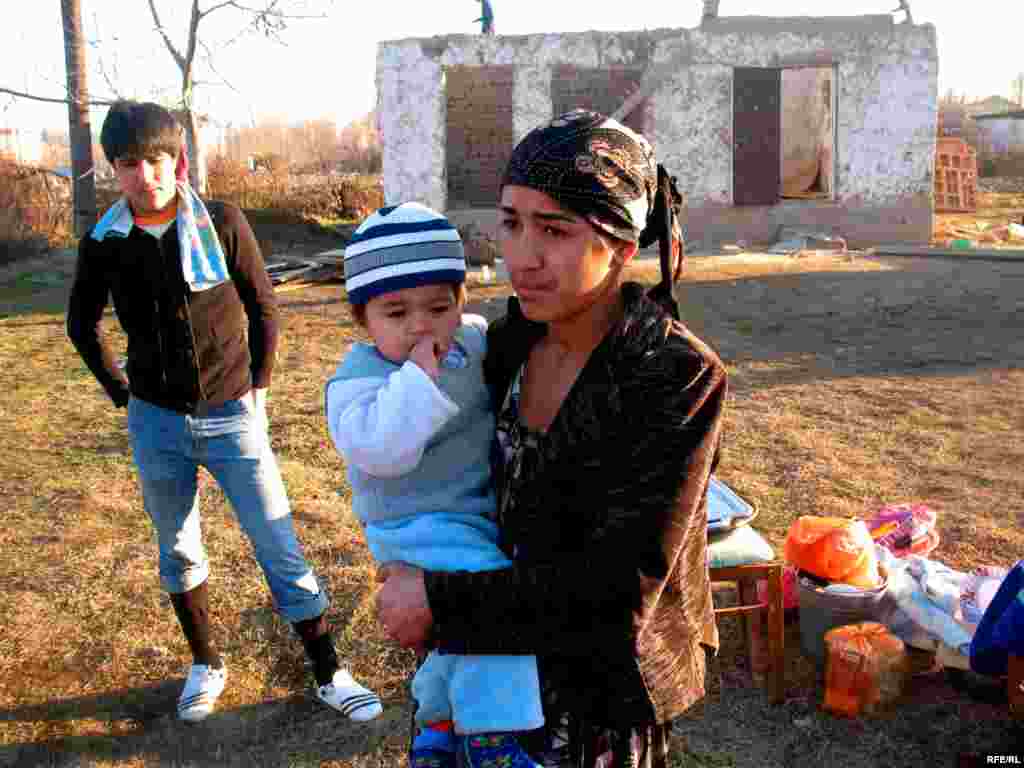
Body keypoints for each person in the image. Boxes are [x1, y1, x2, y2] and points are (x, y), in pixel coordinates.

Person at [375, 109, 727, 767]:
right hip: (486, 668)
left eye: (555, 230)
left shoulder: (672, 375)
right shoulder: (510, 341)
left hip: (596, 697)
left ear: (620, 246)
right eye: (511, 222)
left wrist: (436, 600)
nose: (521, 257)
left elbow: (616, 597)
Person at [65, 101, 382, 724]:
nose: (145, 175)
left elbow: (264, 308)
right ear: (114, 170)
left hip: (233, 414)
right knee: (178, 549)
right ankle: (207, 663)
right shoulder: (104, 243)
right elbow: (82, 325)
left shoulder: (225, 223)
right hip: (157, 422)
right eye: (129, 164)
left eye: (156, 159)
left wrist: (258, 387)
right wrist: (124, 393)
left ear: (176, 160)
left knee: (279, 546)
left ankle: (329, 672)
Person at [325, 202, 544, 768]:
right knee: (494, 610)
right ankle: (495, 737)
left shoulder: (470, 343)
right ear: (363, 320)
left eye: (438, 307)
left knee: (455, 628)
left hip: (469, 516)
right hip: (412, 525)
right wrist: (417, 378)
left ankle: (437, 726)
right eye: (396, 313)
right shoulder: (357, 381)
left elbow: (510, 347)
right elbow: (383, 449)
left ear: (461, 303)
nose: (421, 326)